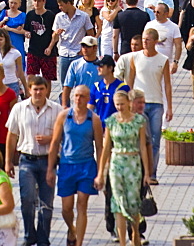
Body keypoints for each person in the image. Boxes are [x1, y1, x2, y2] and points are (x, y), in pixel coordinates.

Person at [4, 75, 59, 246]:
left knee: (46, 202)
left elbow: (62, 135)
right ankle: (29, 235)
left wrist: (50, 138)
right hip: (26, 160)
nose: (38, 92)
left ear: (46, 90)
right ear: (29, 90)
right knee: (27, 198)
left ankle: (43, 238)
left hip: (48, 160)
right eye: (35, 89)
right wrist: (7, 161)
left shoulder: (56, 110)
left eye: (41, 89)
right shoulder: (19, 108)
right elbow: (12, 136)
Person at [47, 85, 103, 246]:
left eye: (83, 96)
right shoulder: (64, 116)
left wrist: (100, 172)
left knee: (82, 204)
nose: (79, 99)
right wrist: (51, 169)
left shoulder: (94, 119)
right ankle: (72, 229)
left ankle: (78, 242)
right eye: (76, 96)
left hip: (86, 165)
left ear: (88, 99)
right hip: (66, 165)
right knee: (66, 208)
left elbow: (99, 147)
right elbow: (55, 142)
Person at [94, 90, 151, 246]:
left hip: (133, 163)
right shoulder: (111, 121)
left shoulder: (139, 121)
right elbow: (106, 148)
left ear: (129, 103)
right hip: (116, 163)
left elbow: (143, 147)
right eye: (117, 104)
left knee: (133, 202)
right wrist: (100, 173)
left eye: (122, 104)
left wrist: (147, 172)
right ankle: (122, 242)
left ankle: (135, 234)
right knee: (117, 203)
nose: (119, 107)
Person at [128, 29, 172, 183]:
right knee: (138, 139)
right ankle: (140, 171)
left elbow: (167, 84)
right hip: (138, 104)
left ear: (155, 41)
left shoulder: (163, 59)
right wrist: (129, 102)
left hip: (156, 104)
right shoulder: (135, 57)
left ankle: (152, 173)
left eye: (148, 39)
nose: (144, 42)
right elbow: (130, 81)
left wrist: (170, 107)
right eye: (144, 39)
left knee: (154, 139)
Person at [47, 0, 94, 91]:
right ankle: (64, 105)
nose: (59, 8)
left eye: (61, 5)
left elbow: (91, 35)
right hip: (64, 53)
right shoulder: (59, 17)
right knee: (64, 86)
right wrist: (56, 34)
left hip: (77, 53)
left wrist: (84, 50)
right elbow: (54, 37)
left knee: (80, 85)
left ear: (69, 3)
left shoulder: (84, 16)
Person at [0, 28, 27, 98]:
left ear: (6, 39)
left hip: (12, 84)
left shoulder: (15, 53)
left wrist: (26, 89)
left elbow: (20, 72)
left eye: (1, 39)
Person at [24, 0, 56, 80]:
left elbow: (55, 34)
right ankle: (31, 93)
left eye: (39, 1)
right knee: (30, 76)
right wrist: (26, 33)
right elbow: (26, 29)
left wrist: (50, 47)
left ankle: (47, 94)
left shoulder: (50, 15)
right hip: (33, 50)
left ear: (44, 2)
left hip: (47, 51)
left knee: (47, 78)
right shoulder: (30, 15)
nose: (37, 3)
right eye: (35, 0)